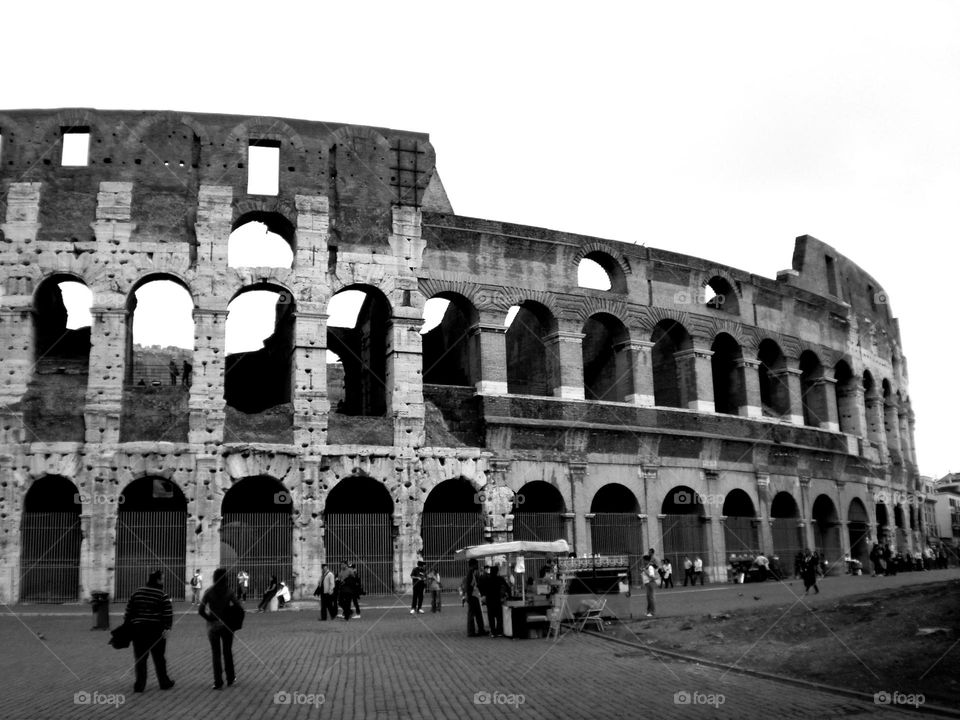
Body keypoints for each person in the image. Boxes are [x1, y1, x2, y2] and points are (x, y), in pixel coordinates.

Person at [124, 569, 175, 693]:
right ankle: (164, 682)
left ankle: (139, 685)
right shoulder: (162, 595)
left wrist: (128, 626)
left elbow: (128, 612)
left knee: (140, 658)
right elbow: (168, 614)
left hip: (139, 630)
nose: (163, 581)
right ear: (157, 580)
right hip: (156, 631)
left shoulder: (137, 593)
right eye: (162, 579)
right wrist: (167, 628)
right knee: (159, 658)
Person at [198, 567, 242, 690]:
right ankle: (230, 678)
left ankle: (218, 681)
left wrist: (210, 618)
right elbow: (238, 606)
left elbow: (201, 610)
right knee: (227, 651)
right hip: (226, 624)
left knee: (216, 654)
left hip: (213, 626)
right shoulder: (229, 592)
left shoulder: (209, 591)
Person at [482, 566, 510, 637]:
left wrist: (484, 595)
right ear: (497, 572)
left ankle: (493, 632)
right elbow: (507, 587)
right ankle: (499, 631)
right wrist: (508, 594)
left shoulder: (487, 579)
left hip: (489, 600)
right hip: (497, 599)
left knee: (491, 616)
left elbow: (482, 588)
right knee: (499, 616)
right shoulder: (499, 579)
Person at [462, 558, 486, 637]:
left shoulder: (472, 573)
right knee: (472, 614)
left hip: (474, 595)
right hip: (472, 596)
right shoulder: (470, 573)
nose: (477, 566)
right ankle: (471, 631)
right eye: (476, 564)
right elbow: (469, 586)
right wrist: (468, 596)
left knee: (478, 613)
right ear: (473, 565)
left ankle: (481, 629)